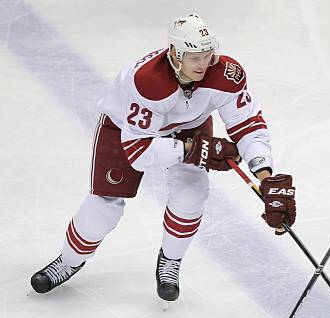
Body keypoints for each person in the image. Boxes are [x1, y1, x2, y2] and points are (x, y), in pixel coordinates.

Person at [31, 14, 297, 302]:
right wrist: (195, 149)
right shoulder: (147, 81)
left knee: (191, 193)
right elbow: (139, 153)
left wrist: (265, 176)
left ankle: (170, 261)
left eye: (208, 55)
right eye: (195, 57)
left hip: (190, 126)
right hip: (125, 130)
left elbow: (248, 125)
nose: (203, 64)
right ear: (175, 53)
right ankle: (68, 261)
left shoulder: (226, 74)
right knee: (103, 206)